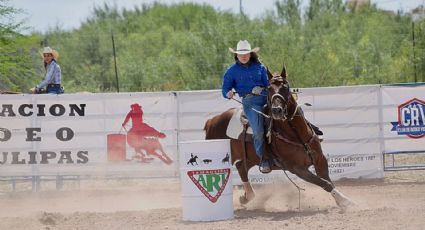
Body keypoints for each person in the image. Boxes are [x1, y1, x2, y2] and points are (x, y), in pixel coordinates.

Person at [222, 40, 271, 173]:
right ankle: (263, 159)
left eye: (246, 54)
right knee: (258, 131)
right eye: (240, 54)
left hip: (267, 98)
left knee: (288, 111)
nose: (243, 56)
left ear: (250, 54)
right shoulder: (231, 71)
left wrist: (264, 90)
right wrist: (229, 93)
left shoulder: (261, 67)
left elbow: (269, 84)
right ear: (236, 55)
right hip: (250, 102)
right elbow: (225, 89)